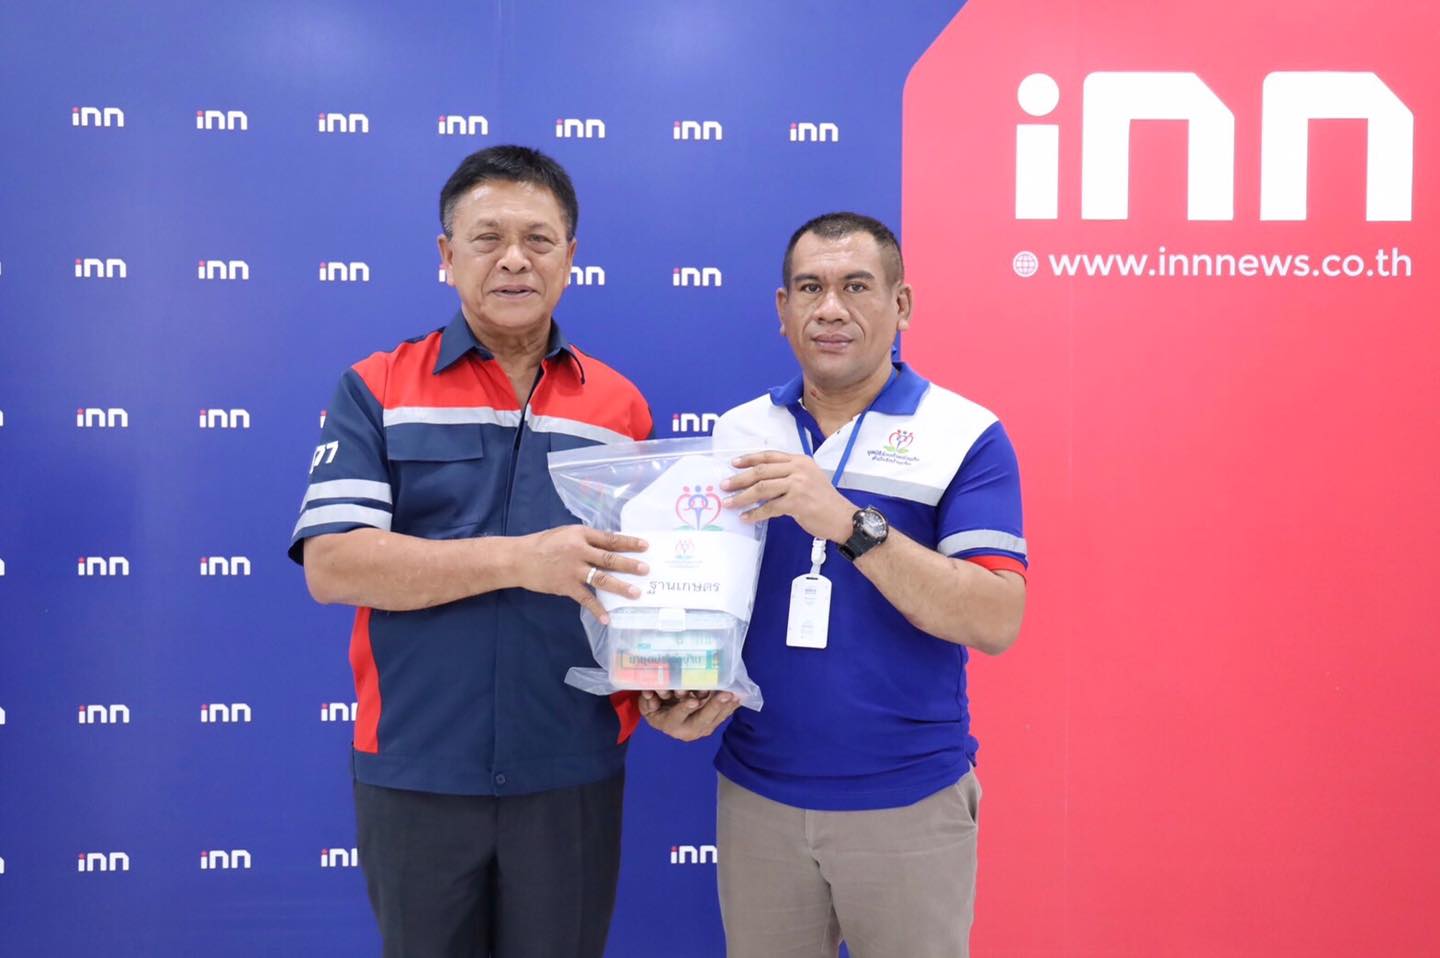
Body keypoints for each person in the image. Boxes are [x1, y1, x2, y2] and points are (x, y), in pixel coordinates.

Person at [289, 145, 654, 958]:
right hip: (417, 768)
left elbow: (640, 586)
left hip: (571, 766)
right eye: (488, 238)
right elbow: (334, 564)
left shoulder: (620, 407)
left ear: (570, 258)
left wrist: (671, 683)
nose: (515, 259)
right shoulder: (378, 386)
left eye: (539, 239)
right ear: (447, 256)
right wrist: (521, 561)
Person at [640, 212, 1028, 958]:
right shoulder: (738, 433)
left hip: (909, 800)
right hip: (757, 794)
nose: (830, 309)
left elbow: (996, 617)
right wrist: (681, 688)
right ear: (782, 308)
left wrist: (848, 523)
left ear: (901, 305)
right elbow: (706, 602)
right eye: (810, 288)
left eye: (856, 286)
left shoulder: (966, 434)